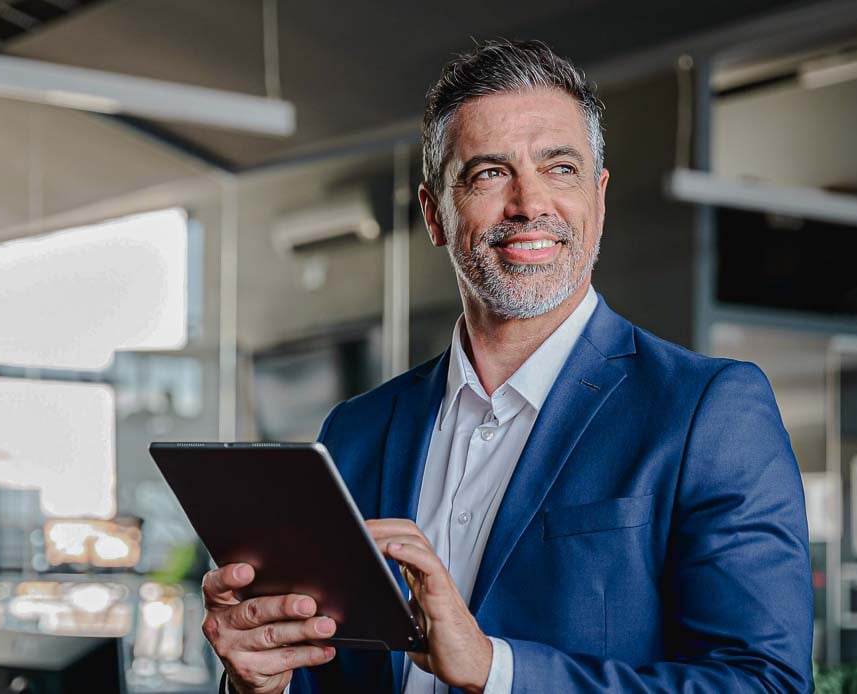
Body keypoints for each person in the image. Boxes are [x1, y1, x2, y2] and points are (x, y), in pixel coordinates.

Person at [200, 39, 813, 693]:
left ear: (599, 198)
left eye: (561, 169)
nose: (529, 203)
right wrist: (261, 683)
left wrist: (496, 670)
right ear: (435, 214)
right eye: (489, 173)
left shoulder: (708, 410)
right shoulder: (356, 433)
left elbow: (765, 683)